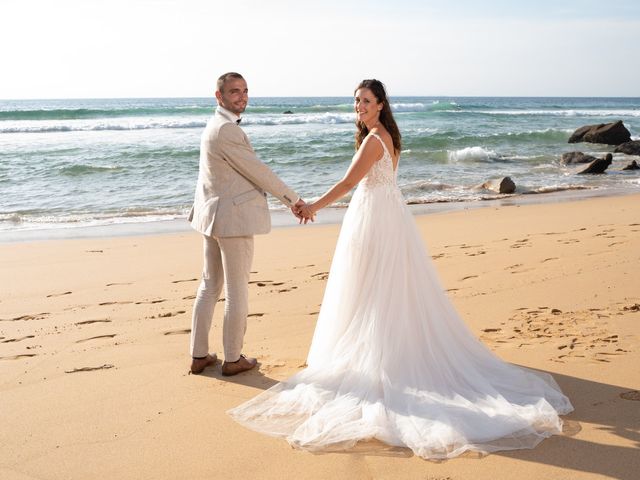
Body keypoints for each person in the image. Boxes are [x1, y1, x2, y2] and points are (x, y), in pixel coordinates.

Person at [227, 79, 573, 459]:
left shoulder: (375, 138)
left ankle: (381, 361)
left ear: (380, 104)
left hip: (374, 219)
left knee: (372, 287)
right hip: (384, 215)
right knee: (379, 288)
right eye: (356, 100)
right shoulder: (385, 134)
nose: (359, 105)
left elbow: (348, 183)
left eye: (366, 100)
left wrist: (312, 207)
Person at [188, 72, 311, 376]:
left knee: (209, 286)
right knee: (236, 290)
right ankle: (233, 359)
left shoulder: (213, 126)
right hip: (232, 221)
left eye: (244, 91)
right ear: (219, 97)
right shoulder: (227, 130)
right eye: (234, 92)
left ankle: (199, 355)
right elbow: (258, 172)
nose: (241, 97)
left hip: (212, 218)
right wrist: (293, 199)